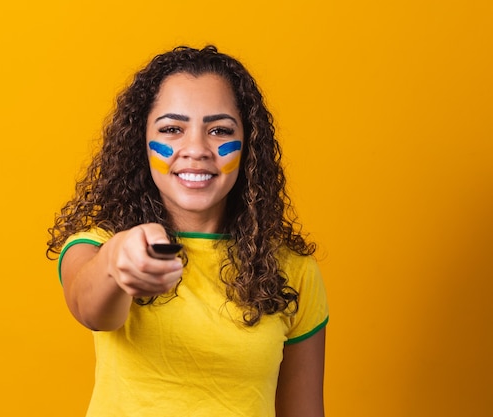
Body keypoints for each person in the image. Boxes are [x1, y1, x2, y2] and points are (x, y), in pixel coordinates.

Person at [47, 45, 329, 417]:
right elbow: (91, 309)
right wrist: (119, 261)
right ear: (140, 143)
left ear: (248, 144)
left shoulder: (293, 270)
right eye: (172, 129)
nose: (196, 149)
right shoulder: (97, 247)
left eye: (218, 130)